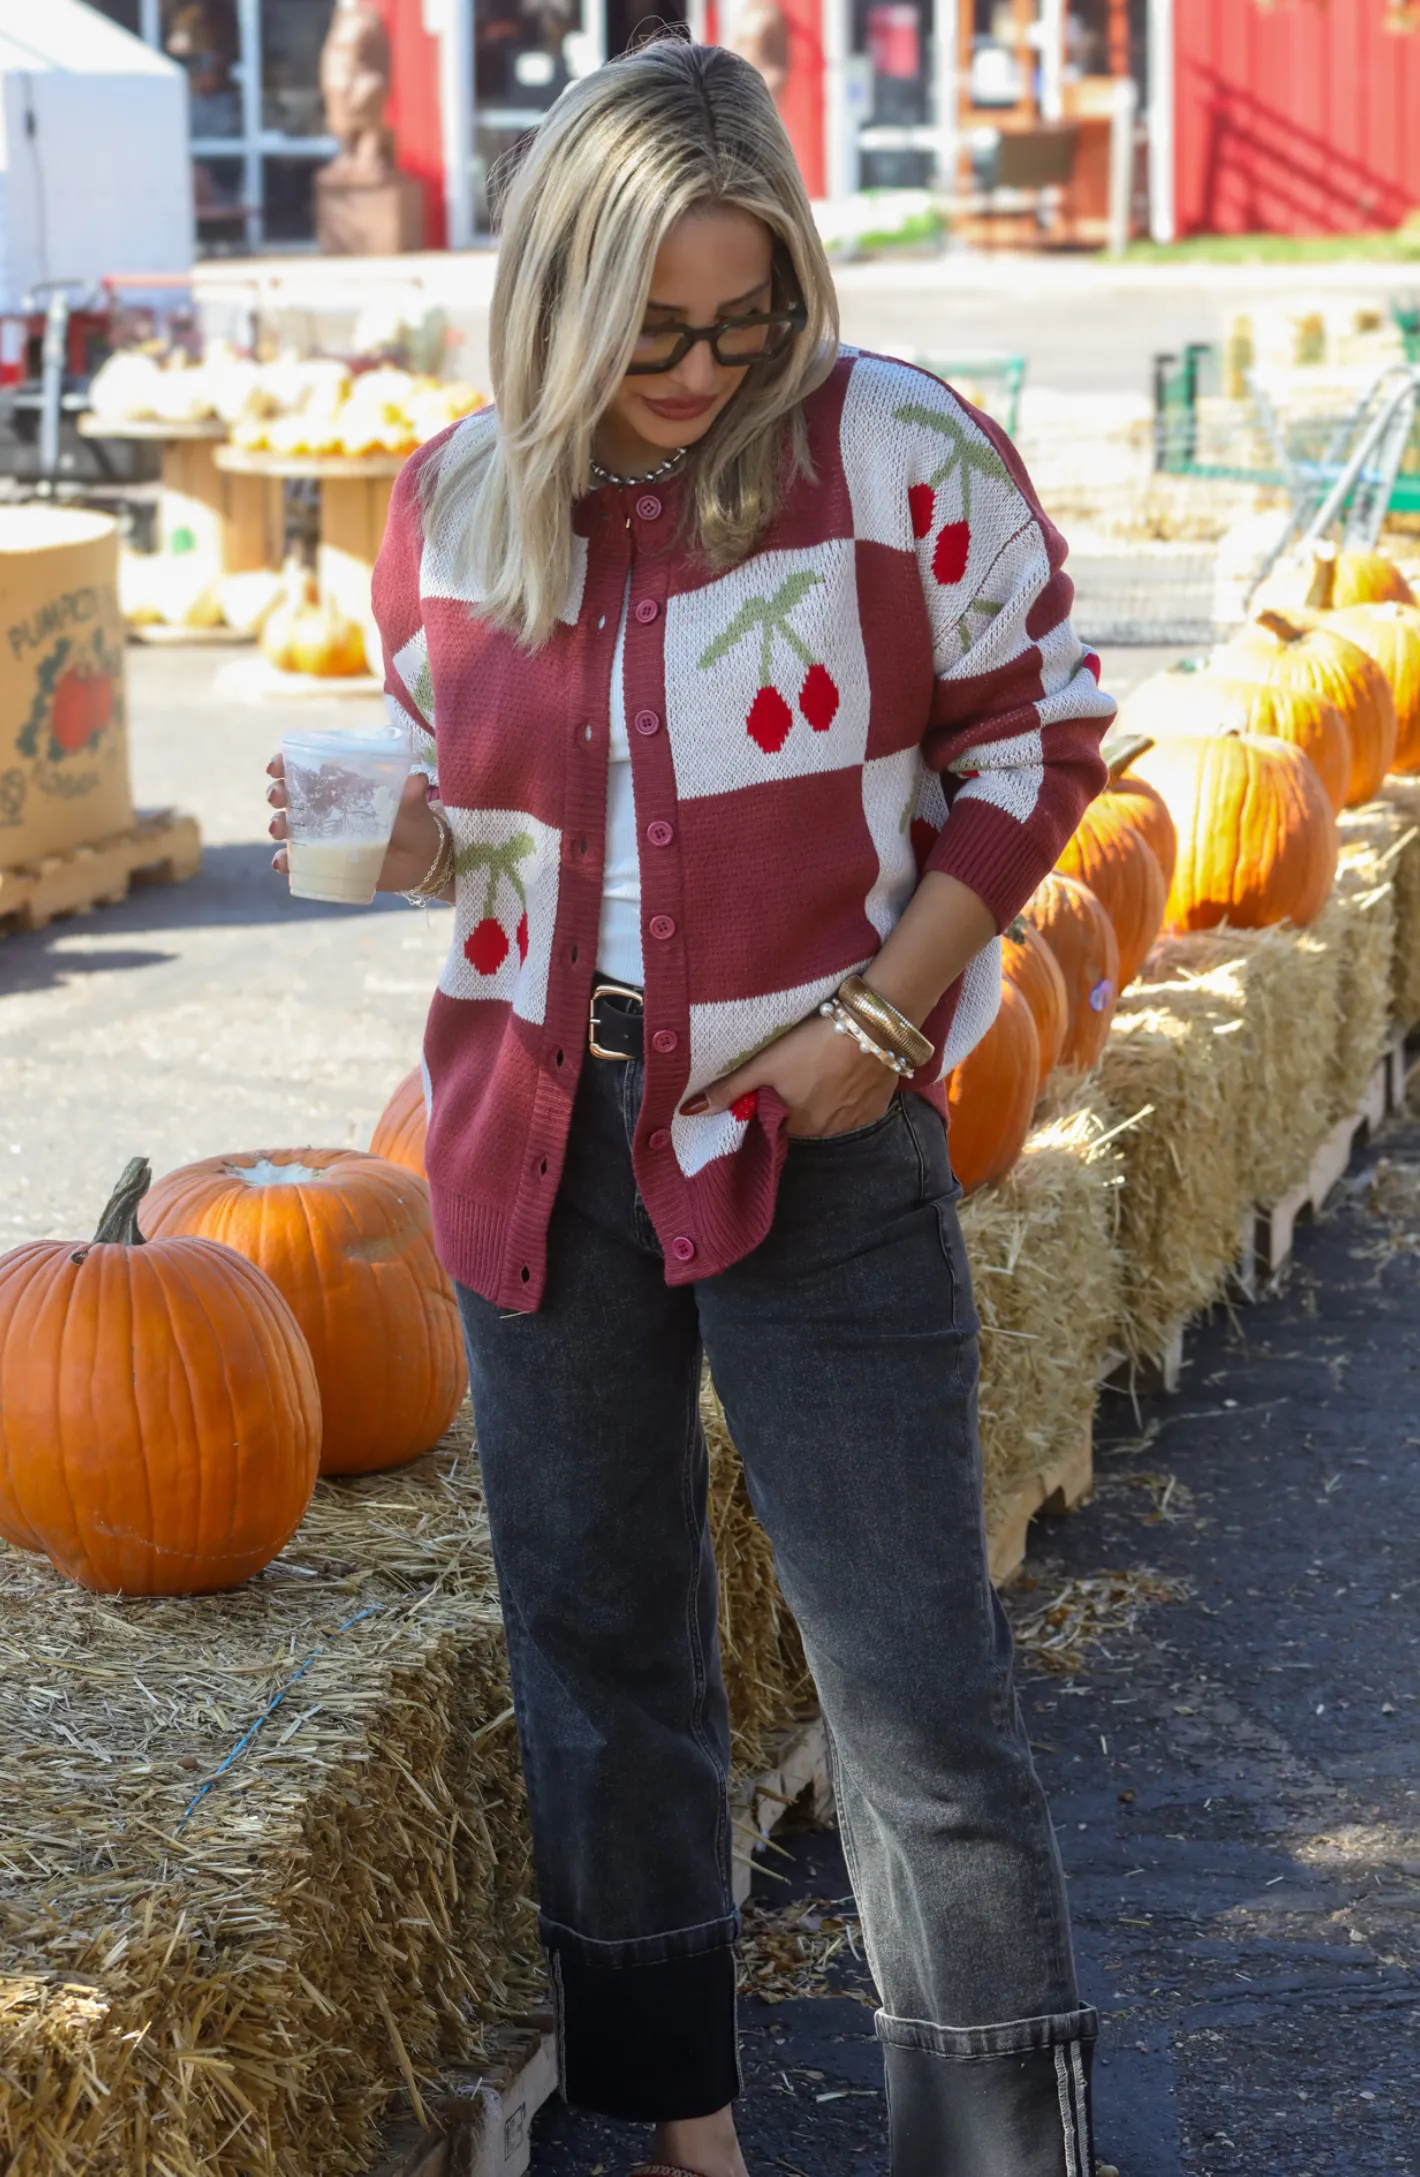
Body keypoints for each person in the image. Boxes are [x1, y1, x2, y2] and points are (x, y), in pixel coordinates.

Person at [268, 37, 1114, 2176]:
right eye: (655, 332)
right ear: (558, 297)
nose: (705, 366)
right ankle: (677, 2123)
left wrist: (898, 1016)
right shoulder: (453, 500)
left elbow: (1042, 736)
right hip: (541, 1142)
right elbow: (501, 850)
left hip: (814, 1121)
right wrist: (392, 854)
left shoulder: (896, 450)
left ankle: (992, 2148)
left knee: (911, 1680)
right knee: (599, 1654)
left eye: (747, 322)